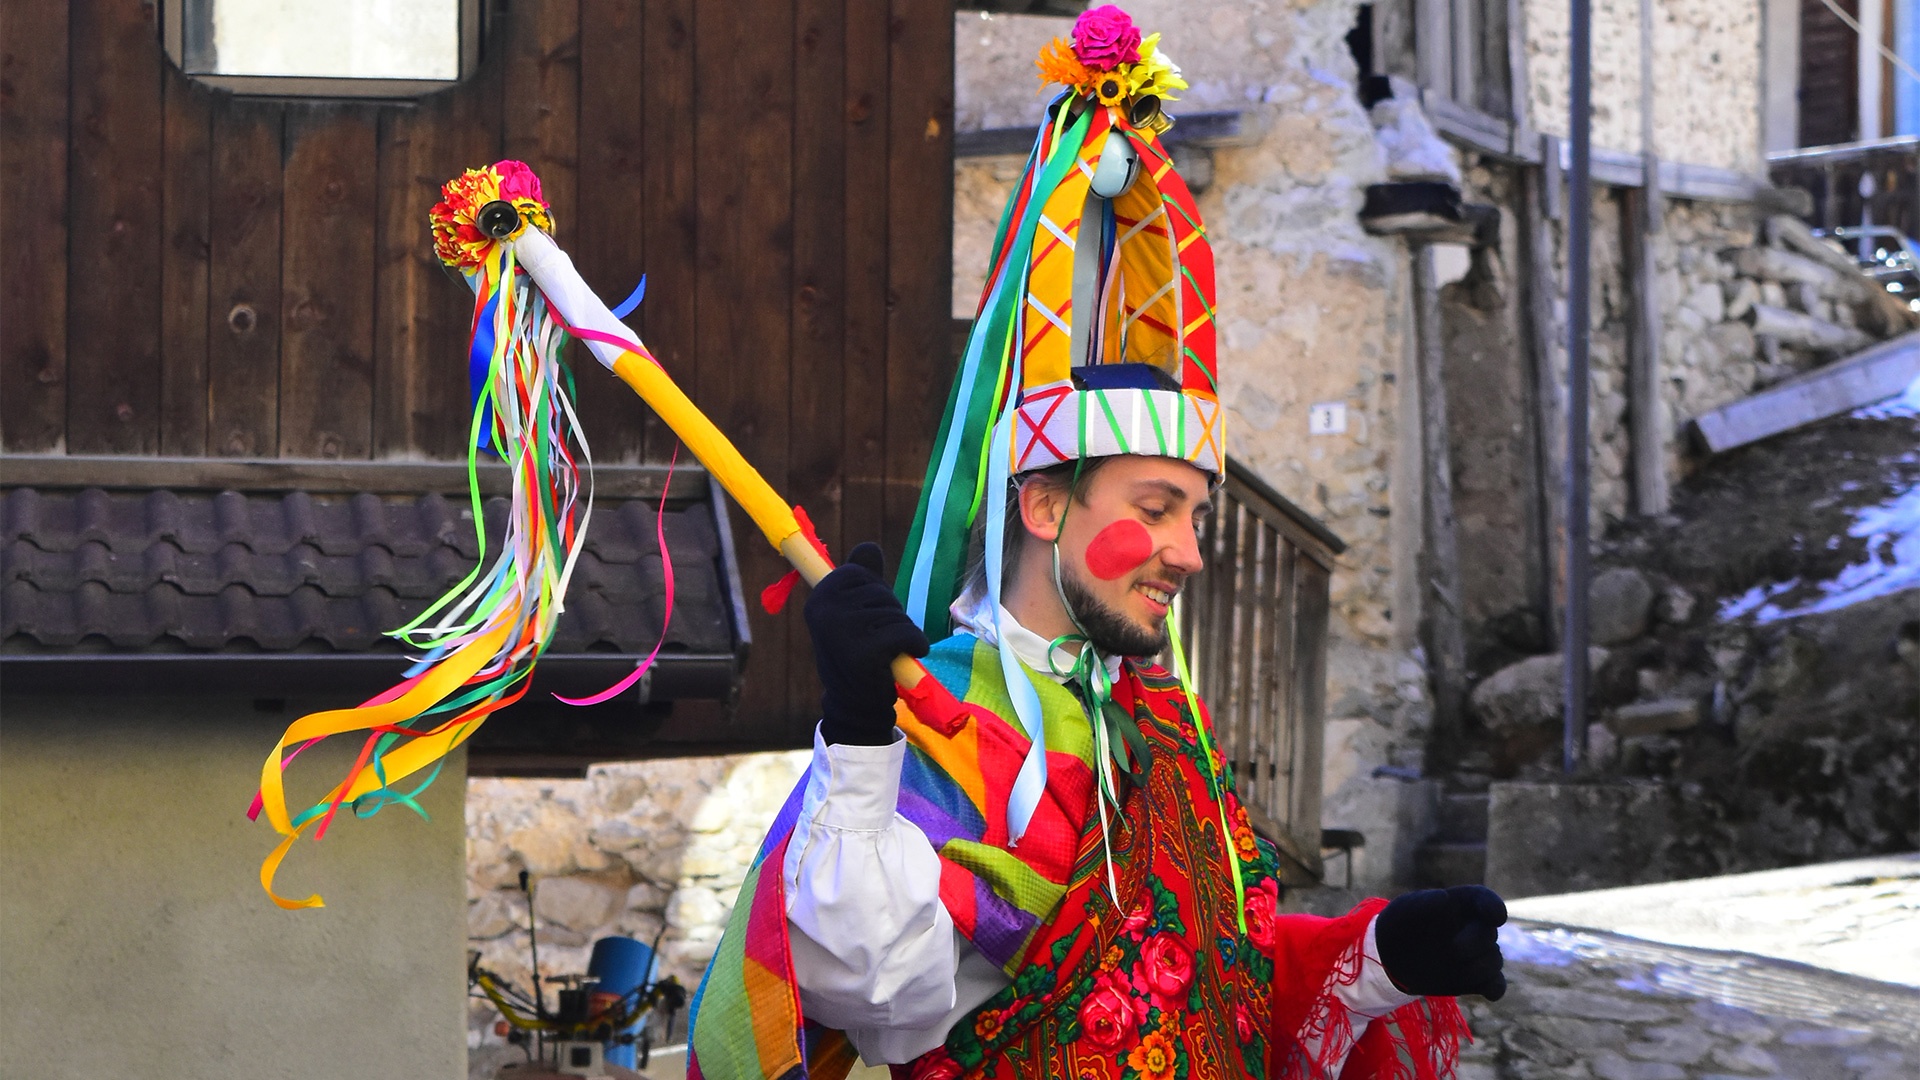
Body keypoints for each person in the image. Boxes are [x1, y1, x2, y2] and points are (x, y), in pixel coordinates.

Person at [688, 9, 1505, 1079]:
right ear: (1041, 507)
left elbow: (1217, 976)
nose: (1190, 552)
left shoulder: (1159, 722)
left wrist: (1382, 956)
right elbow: (877, 995)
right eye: (1156, 507)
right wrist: (857, 734)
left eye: (1198, 516)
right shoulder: (952, 717)